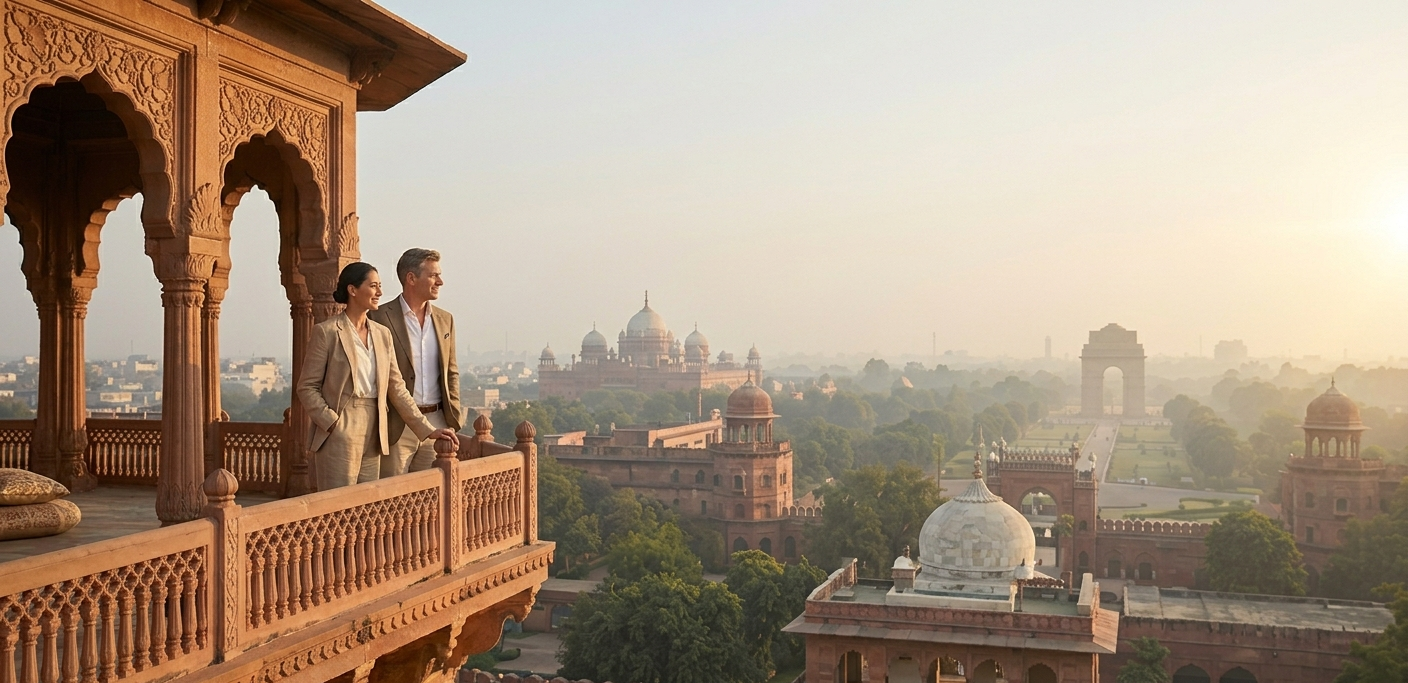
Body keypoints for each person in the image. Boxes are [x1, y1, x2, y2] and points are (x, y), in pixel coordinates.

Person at [296, 262, 459, 490]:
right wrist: (332, 422)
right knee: (339, 505)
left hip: (376, 427)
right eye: (373, 286)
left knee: (368, 505)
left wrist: (427, 428)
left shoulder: (382, 335)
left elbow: (397, 388)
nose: (380, 293)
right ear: (353, 290)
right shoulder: (328, 331)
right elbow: (307, 387)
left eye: (380, 286)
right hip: (342, 424)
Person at [368, 248, 463, 475]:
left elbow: (451, 372)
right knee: (394, 497)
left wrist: (453, 418)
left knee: (430, 500)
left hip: (438, 422)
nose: (440, 281)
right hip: (397, 425)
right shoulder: (379, 317)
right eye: (433, 275)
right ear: (411, 278)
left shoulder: (444, 319)